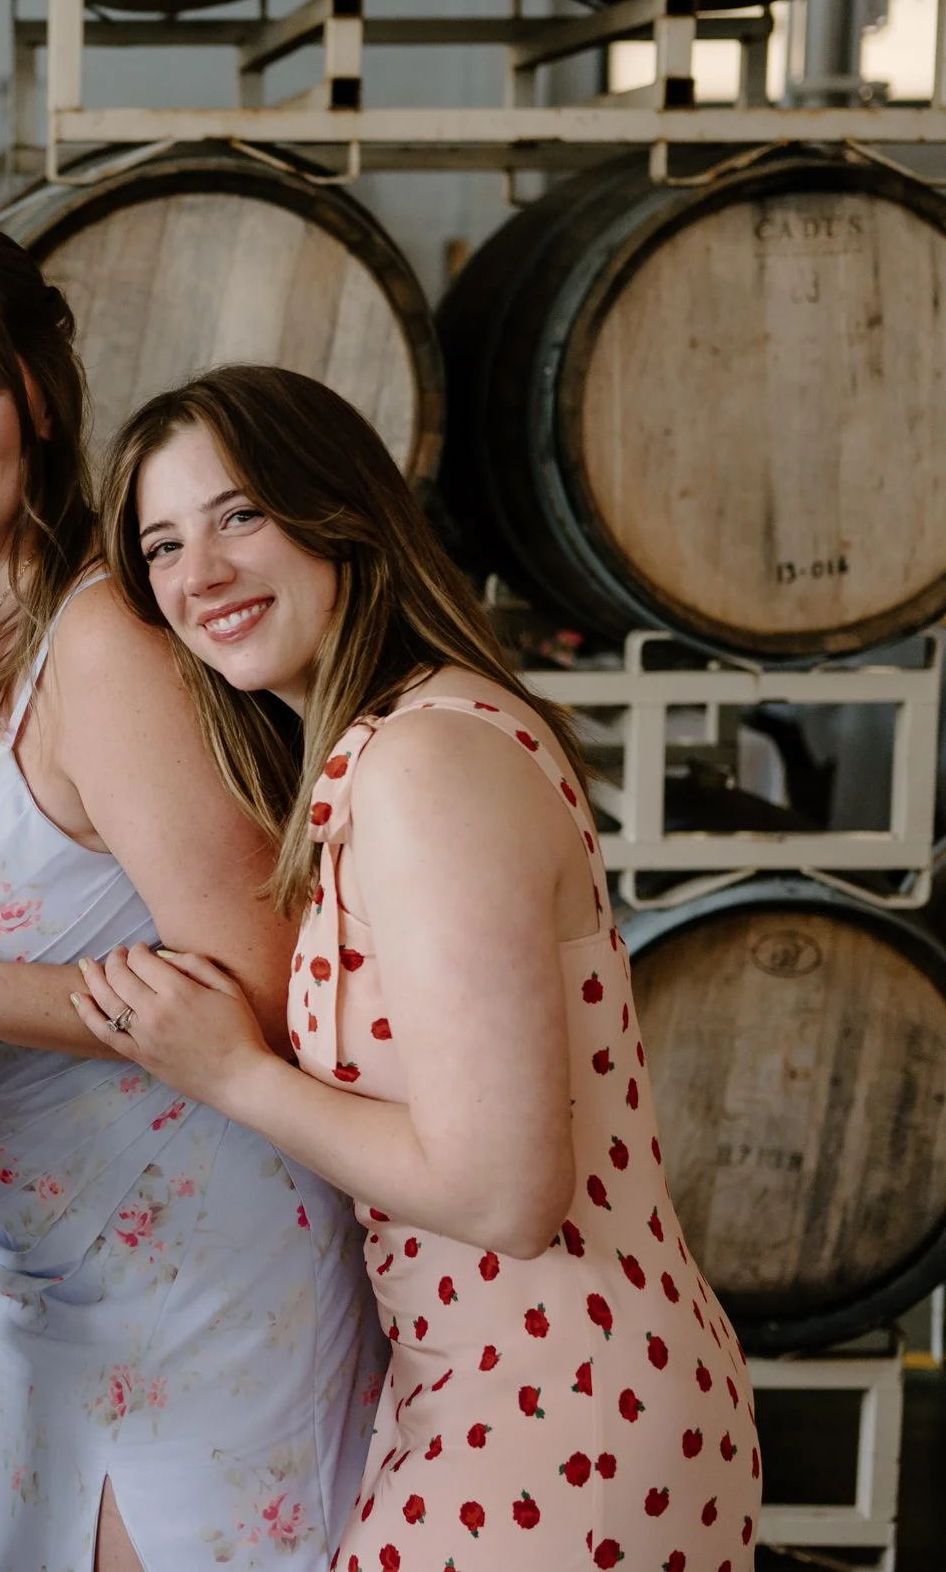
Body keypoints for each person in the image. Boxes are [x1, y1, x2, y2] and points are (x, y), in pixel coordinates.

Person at [75, 364, 761, 1571]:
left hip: (559, 1414)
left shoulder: (425, 765)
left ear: (339, 510)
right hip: (512, 1396)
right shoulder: (387, 750)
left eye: (240, 515)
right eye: (165, 544)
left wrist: (226, 1071)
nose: (202, 574)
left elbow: (505, 1193)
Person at [0, 225, 385, 1571]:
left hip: (210, 1252)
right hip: (43, 1262)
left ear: (41, 398)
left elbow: (254, 978)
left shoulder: (103, 639)